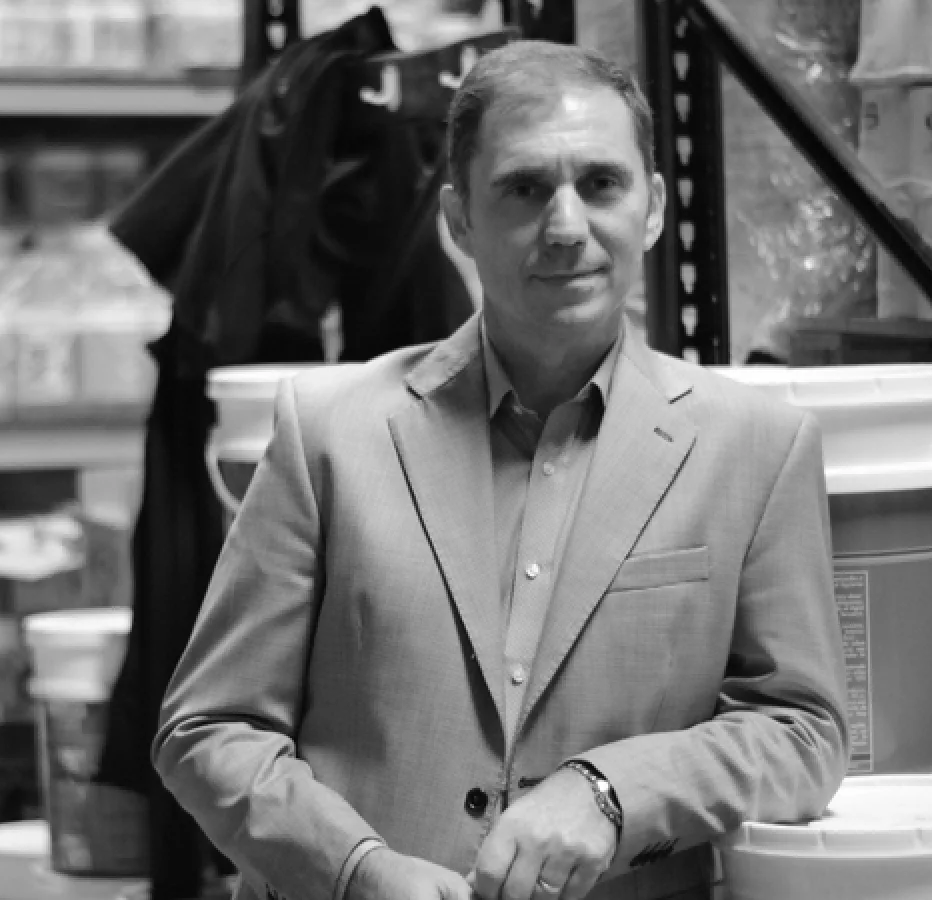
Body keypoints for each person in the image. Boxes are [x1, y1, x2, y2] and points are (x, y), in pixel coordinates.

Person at [152, 41, 849, 900]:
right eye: (524, 188)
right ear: (458, 219)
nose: (566, 227)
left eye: (602, 184)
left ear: (655, 208)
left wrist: (613, 793)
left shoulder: (758, 446)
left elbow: (802, 732)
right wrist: (353, 870)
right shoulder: (329, 433)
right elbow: (208, 727)